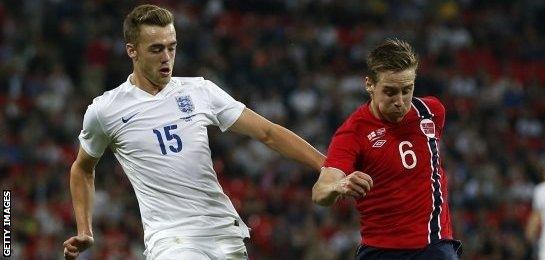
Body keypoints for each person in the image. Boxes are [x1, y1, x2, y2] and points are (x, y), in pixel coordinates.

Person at [62, 4, 325, 260]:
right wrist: (85, 230)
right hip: (171, 240)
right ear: (132, 51)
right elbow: (82, 168)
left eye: (171, 47)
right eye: (156, 49)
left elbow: (267, 132)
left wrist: (327, 165)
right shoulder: (106, 110)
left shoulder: (200, 91)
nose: (166, 57)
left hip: (223, 232)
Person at [311, 39, 461, 259]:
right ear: (369, 84)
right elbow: (319, 192)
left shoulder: (432, 111)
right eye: (390, 92)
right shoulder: (353, 132)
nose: (400, 101)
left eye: (407, 90)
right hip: (381, 250)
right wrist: (339, 185)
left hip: (434, 245)